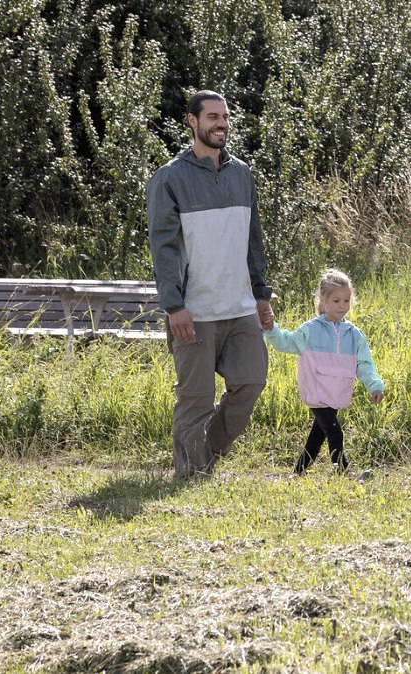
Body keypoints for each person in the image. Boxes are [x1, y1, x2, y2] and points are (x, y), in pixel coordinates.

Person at [146, 90, 276, 479]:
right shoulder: (169, 178)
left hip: (239, 308)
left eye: (225, 117)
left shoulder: (241, 174)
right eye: (212, 117)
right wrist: (174, 306)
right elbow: (164, 247)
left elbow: (253, 239)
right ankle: (192, 472)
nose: (221, 124)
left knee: (251, 382)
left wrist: (260, 294)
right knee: (195, 400)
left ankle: (206, 452)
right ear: (192, 121)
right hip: (194, 311)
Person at [264, 268, 387, 475]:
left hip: (336, 393)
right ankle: (342, 473)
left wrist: (374, 385)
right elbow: (286, 343)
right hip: (317, 393)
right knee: (335, 432)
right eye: (336, 301)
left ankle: (298, 473)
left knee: (317, 437)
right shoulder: (310, 330)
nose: (342, 306)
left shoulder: (354, 335)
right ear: (322, 300)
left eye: (346, 301)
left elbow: (364, 365)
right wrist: (270, 328)